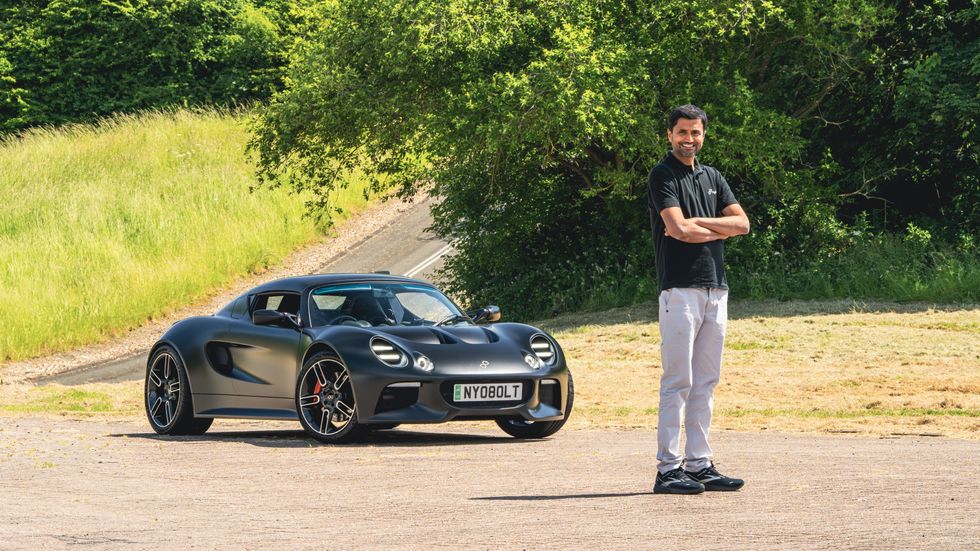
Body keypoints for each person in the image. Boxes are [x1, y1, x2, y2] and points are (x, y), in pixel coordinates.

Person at [647, 104, 750, 495]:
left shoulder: (713, 177)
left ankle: (700, 464)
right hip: (679, 289)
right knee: (678, 381)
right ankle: (668, 470)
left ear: (703, 135)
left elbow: (742, 223)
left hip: (716, 289)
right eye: (682, 133)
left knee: (706, 381)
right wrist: (716, 228)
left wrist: (700, 226)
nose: (689, 139)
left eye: (696, 133)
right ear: (670, 135)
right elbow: (675, 228)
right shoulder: (663, 175)